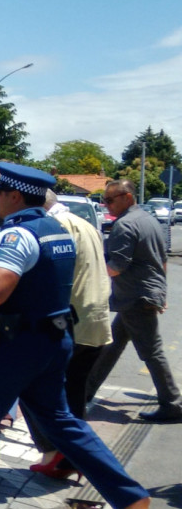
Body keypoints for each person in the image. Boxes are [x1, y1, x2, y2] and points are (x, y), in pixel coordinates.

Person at [0, 162, 160, 509]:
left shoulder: (16, 236)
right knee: (63, 422)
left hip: (13, 345)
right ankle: (131, 497)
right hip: (54, 340)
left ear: (15, 195)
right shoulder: (56, 229)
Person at [21, 190, 112, 477]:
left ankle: (59, 453)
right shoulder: (83, 223)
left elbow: (51, 275)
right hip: (96, 319)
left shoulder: (53, 228)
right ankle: (73, 460)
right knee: (74, 397)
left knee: (32, 387)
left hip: (72, 321)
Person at [86, 179, 182, 422]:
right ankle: (84, 393)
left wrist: (87, 272)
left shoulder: (125, 225)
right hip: (140, 296)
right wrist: (161, 293)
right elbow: (161, 261)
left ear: (127, 197)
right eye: (104, 200)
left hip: (135, 298)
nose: (106, 205)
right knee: (112, 346)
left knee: (151, 352)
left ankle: (172, 404)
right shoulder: (150, 221)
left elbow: (116, 267)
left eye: (110, 200)